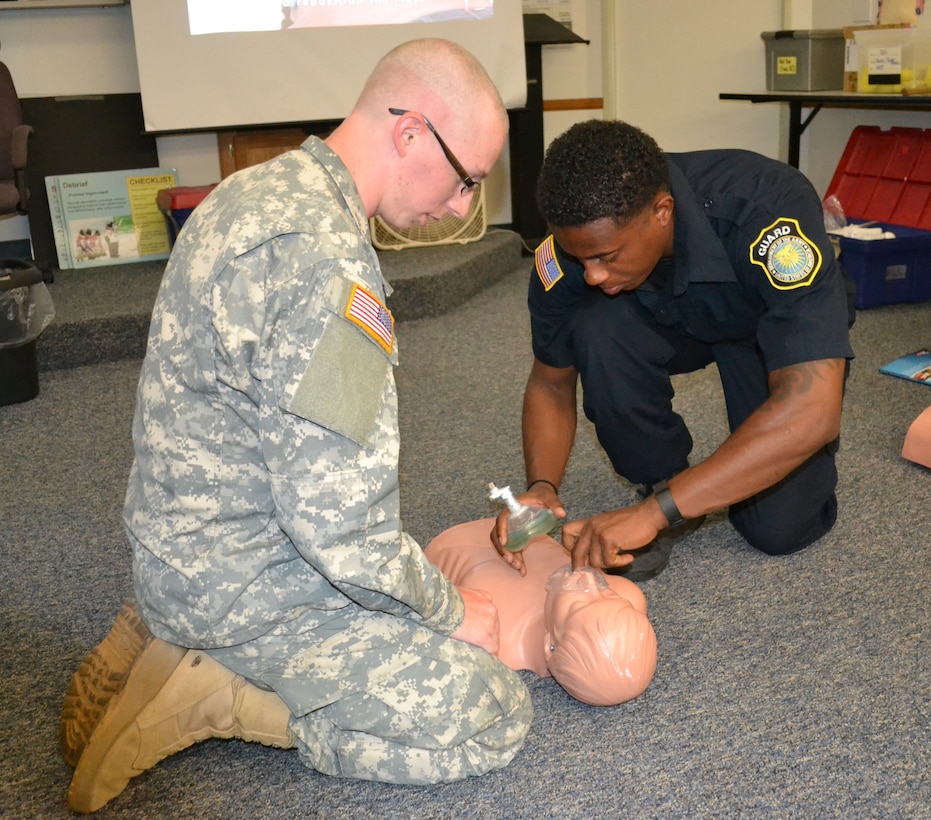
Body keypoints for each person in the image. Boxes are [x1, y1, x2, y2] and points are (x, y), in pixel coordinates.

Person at [60, 38, 530, 815]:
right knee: (490, 711)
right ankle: (218, 695)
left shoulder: (250, 191)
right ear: (410, 133)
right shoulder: (332, 269)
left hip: (178, 544)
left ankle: (171, 626)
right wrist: (448, 612)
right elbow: (339, 527)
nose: (459, 208)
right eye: (465, 180)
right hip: (250, 584)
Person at [493, 119, 855, 581]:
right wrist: (541, 487)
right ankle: (661, 480)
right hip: (673, 318)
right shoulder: (569, 252)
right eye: (578, 257)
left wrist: (651, 515)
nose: (592, 274)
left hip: (770, 329)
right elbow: (549, 380)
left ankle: (667, 505)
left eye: (606, 256)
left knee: (779, 528)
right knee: (595, 323)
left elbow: (811, 411)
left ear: (663, 212)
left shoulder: (764, 208)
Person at [424, 518, 657, 706]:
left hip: (450, 543)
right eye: (609, 594)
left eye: (579, 604)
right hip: (519, 529)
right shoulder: (628, 594)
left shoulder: (497, 632)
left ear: (549, 646)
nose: (588, 579)